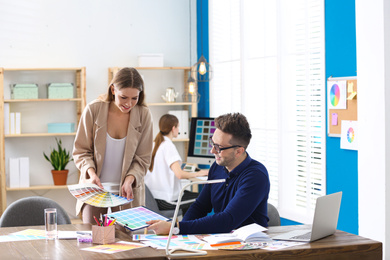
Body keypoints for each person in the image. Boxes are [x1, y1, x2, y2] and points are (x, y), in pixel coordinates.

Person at [146, 112, 270, 235]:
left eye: (218, 147)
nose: (212, 150)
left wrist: (176, 228)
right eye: (212, 143)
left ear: (238, 151)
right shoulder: (217, 168)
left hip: (250, 245)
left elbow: (227, 220)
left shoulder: (256, 176)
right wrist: (179, 234)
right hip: (223, 239)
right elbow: (200, 206)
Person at [73, 67, 153, 224]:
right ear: (113, 90)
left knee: (129, 245)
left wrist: (130, 180)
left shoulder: (144, 114)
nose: (128, 103)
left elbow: (143, 158)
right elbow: (81, 151)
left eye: (134, 98)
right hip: (95, 189)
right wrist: (91, 173)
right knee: (92, 239)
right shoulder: (93, 110)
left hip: (127, 192)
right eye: (124, 97)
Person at [145, 114, 208, 215]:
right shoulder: (168, 146)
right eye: (178, 127)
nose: (178, 129)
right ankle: (188, 228)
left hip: (155, 199)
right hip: (166, 201)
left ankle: (183, 228)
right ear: (173, 128)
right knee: (203, 198)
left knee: (190, 195)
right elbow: (179, 174)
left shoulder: (154, 144)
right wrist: (200, 173)